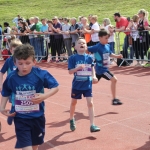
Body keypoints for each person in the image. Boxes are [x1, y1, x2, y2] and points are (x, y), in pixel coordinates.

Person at [0, 44, 59, 150]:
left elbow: (55, 87)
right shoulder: (12, 77)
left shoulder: (40, 74)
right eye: (20, 63)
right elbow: (5, 91)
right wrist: (2, 107)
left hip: (37, 117)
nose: (24, 67)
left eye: (28, 63)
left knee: (34, 147)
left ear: (34, 62)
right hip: (20, 118)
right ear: (15, 63)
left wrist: (44, 96)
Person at [68, 37, 100, 132]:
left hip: (87, 84)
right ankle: (71, 118)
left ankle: (92, 125)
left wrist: (94, 76)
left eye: (84, 43)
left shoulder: (89, 58)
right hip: (77, 85)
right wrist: (77, 69)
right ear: (75, 47)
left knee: (90, 103)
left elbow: (92, 68)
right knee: (74, 102)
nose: (82, 44)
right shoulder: (72, 58)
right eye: (80, 43)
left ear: (86, 47)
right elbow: (70, 72)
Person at [87, 29, 123, 105]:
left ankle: (83, 84)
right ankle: (114, 99)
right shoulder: (97, 47)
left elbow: (110, 54)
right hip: (101, 69)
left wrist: (117, 56)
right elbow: (87, 49)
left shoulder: (107, 46)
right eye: (105, 38)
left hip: (105, 68)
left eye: (108, 38)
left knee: (94, 82)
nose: (107, 40)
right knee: (114, 80)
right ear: (100, 38)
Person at [0, 39, 22, 125]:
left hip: (22, 85)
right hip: (12, 86)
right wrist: (1, 84)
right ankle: (13, 111)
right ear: (11, 50)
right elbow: (1, 72)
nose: (16, 52)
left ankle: (15, 113)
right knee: (14, 101)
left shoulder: (23, 60)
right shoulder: (9, 61)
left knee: (20, 103)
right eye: (14, 50)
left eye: (19, 49)